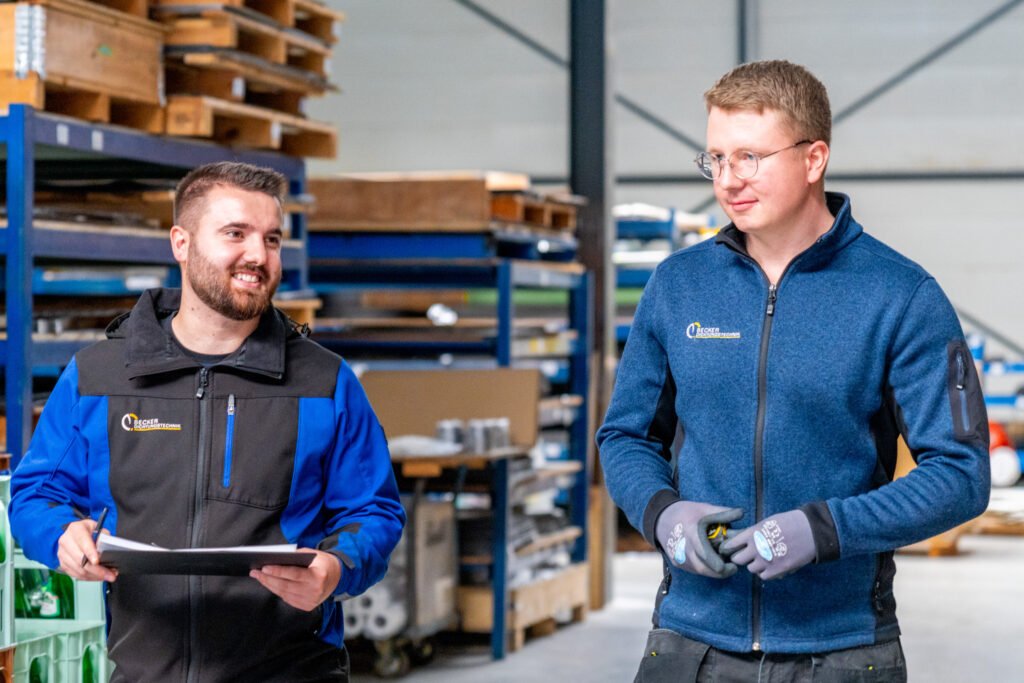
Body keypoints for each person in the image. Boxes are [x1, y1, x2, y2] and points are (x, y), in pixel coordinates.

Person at [597, 60, 990, 682]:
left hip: (841, 649)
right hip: (688, 645)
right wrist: (660, 511)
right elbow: (624, 436)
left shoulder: (900, 296)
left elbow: (961, 474)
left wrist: (825, 529)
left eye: (750, 157)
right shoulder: (678, 286)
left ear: (814, 159)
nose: (729, 180)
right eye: (716, 159)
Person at [9, 161, 406, 682]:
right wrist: (61, 536)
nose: (258, 256)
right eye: (235, 234)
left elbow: (373, 510)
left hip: (292, 670)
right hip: (143, 669)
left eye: (272, 239)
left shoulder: (324, 382)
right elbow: (36, 492)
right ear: (181, 242)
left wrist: (337, 568)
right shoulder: (98, 375)